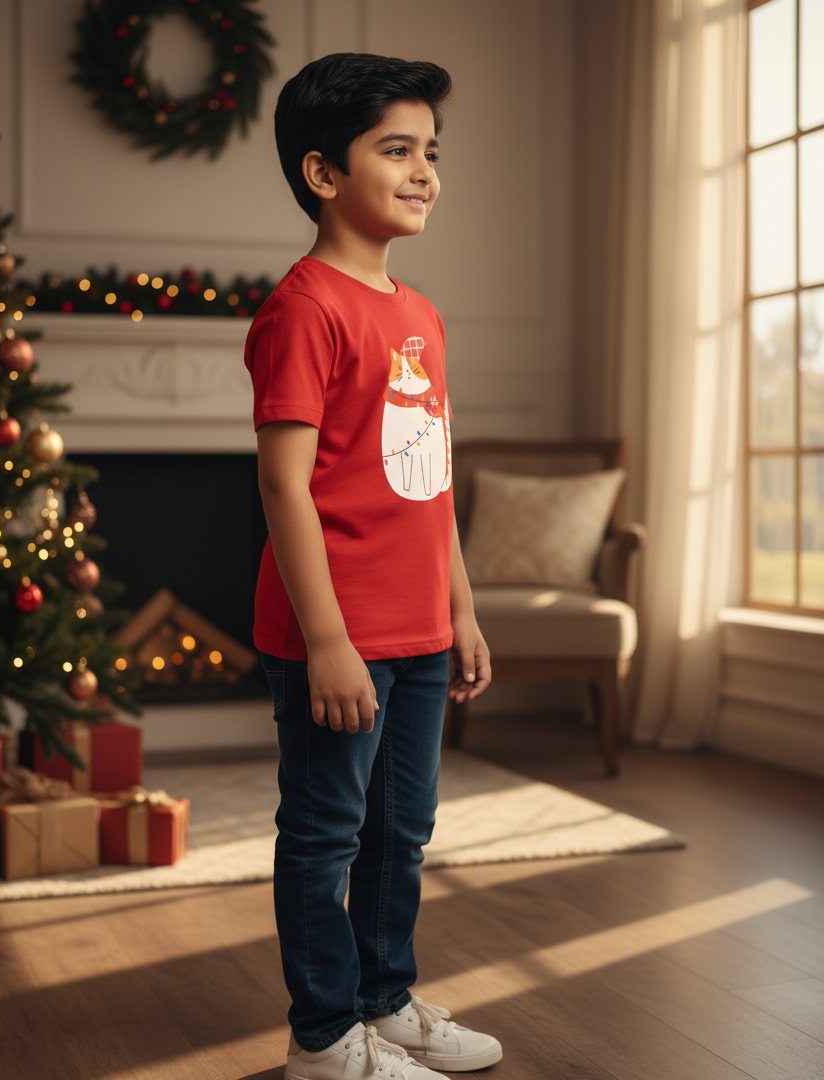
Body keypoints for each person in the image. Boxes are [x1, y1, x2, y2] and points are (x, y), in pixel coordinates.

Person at [244, 52, 500, 1080]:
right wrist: (329, 645)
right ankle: (322, 1039)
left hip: (421, 631)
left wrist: (462, 610)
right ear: (322, 173)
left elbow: (426, 481)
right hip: (336, 640)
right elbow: (283, 488)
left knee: (403, 834)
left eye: (429, 151)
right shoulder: (304, 309)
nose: (423, 170)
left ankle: (385, 1002)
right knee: (326, 836)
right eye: (396, 150)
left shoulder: (422, 315)